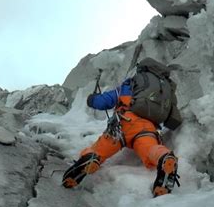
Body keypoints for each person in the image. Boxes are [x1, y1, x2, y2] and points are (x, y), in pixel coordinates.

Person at [62, 61, 180, 197]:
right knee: (149, 149)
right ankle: (163, 157)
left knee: (100, 149)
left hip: (124, 122)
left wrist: (92, 99)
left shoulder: (132, 83)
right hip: (148, 127)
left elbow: (105, 101)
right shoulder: (166, 90)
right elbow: (172, 118)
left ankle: (91, 159)